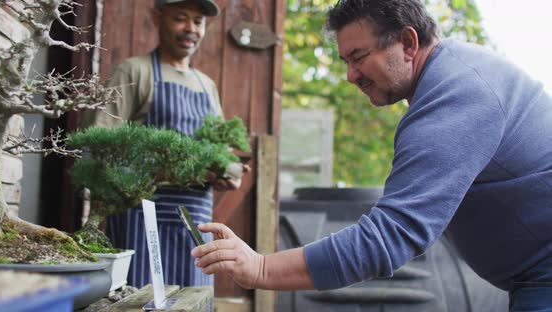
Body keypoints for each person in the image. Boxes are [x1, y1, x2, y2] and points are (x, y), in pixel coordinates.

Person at [191, 0, 552, 310]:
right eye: (346, 60)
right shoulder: (452, 79)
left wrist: (261, 269)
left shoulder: (455, 97)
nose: (350, 75)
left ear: (408, 43)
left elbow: (390, 236)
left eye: (359, 56)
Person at [85, 0, 246, 288]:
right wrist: (168, 171)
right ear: (156, 18)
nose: (191, 29)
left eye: (198, 21)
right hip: (141, 215)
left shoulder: (206, 85)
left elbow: (222, 151)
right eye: (181, 18)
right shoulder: (134, 72)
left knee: (192, 298)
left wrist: (229, 172)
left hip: (195, 221)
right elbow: (101, 144)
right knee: (140, 298)